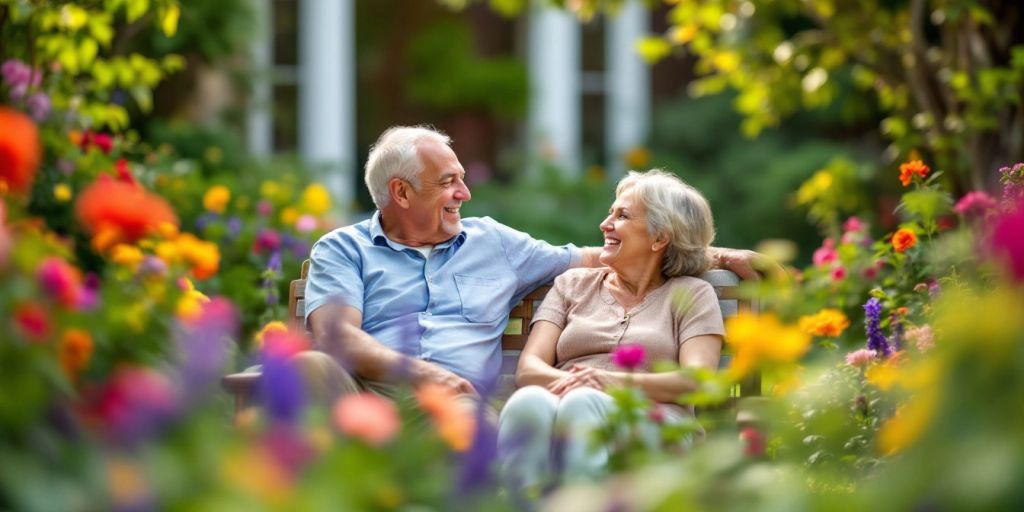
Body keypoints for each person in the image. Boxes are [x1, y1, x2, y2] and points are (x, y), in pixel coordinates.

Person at [297, 125, 765, 404]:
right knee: (309, 368)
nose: (465, 193)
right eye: (448, 183)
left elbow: (605, 254)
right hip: (363, 390)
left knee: (459, 422)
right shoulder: (343, 249)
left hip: (454, 402)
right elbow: (337, 335)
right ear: (401, 193)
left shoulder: (494, 242)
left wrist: (716, 256)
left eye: (462, 179)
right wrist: (422, 372)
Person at [497, 170, 724, 488]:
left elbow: (696, 381)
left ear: (659, 238)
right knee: (527, 401)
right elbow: (530, 369)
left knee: (582, 404)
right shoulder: (571, 284)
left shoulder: (692, 294)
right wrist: (580, 384)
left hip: (656, 424)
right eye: (610, 213)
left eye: (622, 216)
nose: (605, 225)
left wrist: (607, 383)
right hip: (566, 405)